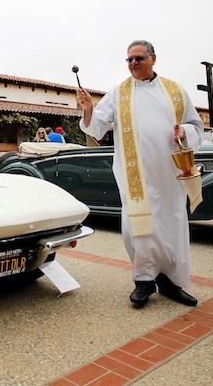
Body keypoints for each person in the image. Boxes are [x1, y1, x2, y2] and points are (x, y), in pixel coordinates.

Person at [77, 40, 204, 308]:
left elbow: (195, 125)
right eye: (129, 60)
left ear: (153, 58)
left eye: (138, 58)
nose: (133, 63)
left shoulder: (174, 90)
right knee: (138, 228)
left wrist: (186, 132)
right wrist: (89, 107)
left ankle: (171, 282)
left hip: (169, 174)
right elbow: (96, 127)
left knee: (171, 226)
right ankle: (143, 281)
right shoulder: (120, 92)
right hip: (135, 175)